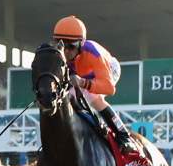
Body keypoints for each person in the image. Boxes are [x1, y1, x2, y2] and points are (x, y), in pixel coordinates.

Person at [51, 15, 139, 155]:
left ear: (81, 44)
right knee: (67, 99)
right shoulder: (59, 54)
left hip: (108, 70)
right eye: (61, 46)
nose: (66, 51)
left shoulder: (93, 53)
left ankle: (123, 135)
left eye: (71, 47)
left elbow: (109, 88)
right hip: (81, 74)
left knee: (92, 97)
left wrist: (82, 82)